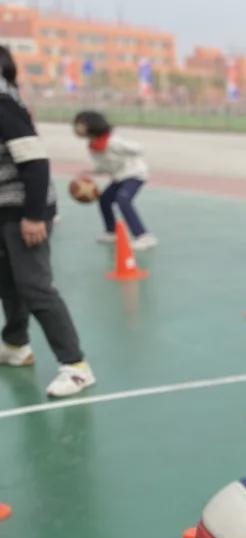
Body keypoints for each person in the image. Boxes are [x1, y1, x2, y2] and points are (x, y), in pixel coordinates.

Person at [0, 46, 94, 397]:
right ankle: (15, 345)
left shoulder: (4, 105)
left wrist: (33, 215)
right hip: (4, 209)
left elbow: (36, 162)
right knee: (8, 283)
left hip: (23, 209)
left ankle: (76, 367)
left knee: (35, 287)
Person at [72, 110, 157, 251]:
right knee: (104, 199)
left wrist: (130, 153)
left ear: (91, 125)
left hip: (135, 174)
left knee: (123, 199)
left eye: (80, 124)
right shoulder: (93, 146)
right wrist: (90, 171)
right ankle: (111, 232)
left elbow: (139, 148)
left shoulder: (113, 142)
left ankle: (143, 236)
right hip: (119, 177)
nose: (76, 127)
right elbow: (104, 166)